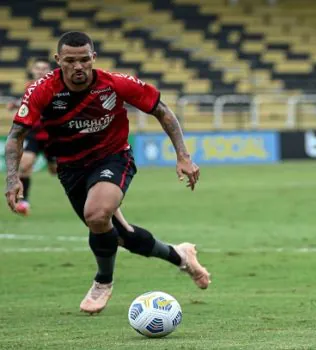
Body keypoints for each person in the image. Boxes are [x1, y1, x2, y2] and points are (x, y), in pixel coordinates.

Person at [4, 31, 211, 315]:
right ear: (58, 60)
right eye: (70, 61)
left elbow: (161, 110)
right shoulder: (42, 90)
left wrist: (183, 156)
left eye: (84, 60)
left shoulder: (115, 84)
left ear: (93, 58)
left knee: (97, 215)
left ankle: (103, 281)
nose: (78, 67)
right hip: (72, 169)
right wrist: (13, 178)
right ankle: (181, 256)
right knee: (121, 236)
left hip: (113, 158)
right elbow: (17, 134)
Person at [6, 58, 56, 215]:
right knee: (25, 166)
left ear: (49, 70)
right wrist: (16, 104)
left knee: (55, 170)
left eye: (44, 68)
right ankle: (24, 201)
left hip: (52, 136)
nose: (41, 71)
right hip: (34, 134)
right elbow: (27, 102)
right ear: (33, 70)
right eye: (38, 68)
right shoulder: (30, 87)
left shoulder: (56, 87)